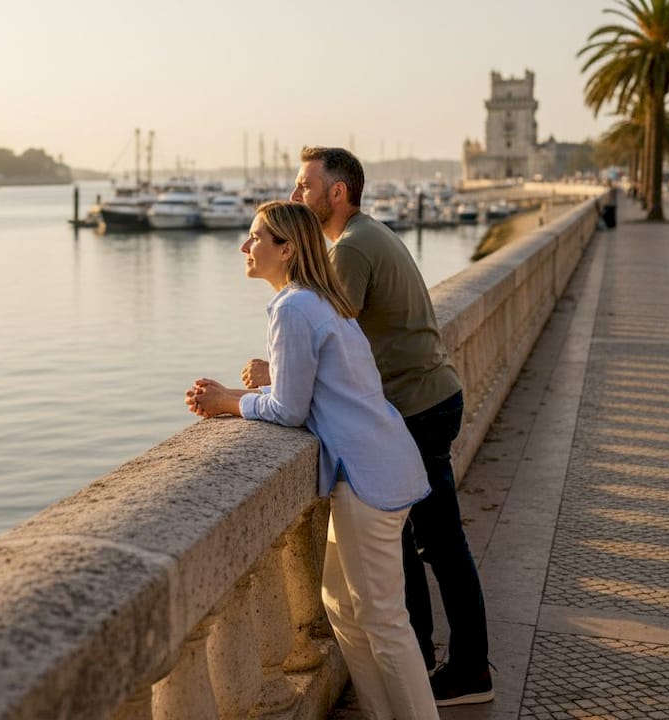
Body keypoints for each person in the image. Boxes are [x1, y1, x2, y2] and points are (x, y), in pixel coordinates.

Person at [244, 147, 492, 706]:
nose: (295, 193)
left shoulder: (348, 252)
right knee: (411, 560)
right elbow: (340, 344)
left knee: (424, 557)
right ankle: (435, 666)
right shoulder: (363, 237)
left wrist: (265, 383)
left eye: (304, 184)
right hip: (421, 402)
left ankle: (448, 666)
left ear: (338, 192)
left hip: (407, 413)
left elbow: (327, 353)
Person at [186, 201, 438, 720]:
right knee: (341, 607)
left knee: (385, 619)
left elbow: (289, 408)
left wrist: (228, 403)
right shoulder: (319, 301)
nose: (245, 246)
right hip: (377, 464)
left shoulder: (292, 308)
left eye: (256, 237)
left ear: (288, 248)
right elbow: (323, 389)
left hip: (368, 477)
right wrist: (237, 392)